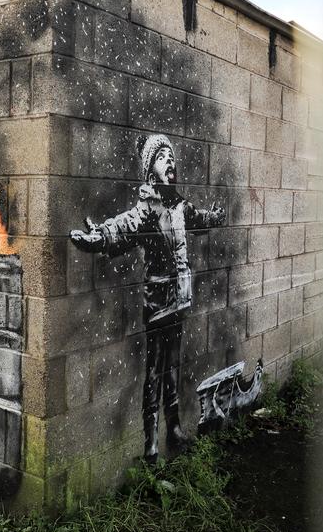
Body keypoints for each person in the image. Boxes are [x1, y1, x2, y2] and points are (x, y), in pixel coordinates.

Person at [70, 134, 224, 462]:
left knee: (172, 368)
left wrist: (214, 217)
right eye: (162, 157)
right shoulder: (148, 208)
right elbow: (125, 225)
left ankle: (175, 429)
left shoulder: (181, 206)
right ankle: (151, 442)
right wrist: (101, 236)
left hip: (180, 301)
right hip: (157, 305)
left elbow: (199, 220)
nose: (170, 161)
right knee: (154, 370)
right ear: (151, 172)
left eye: (172, 156)